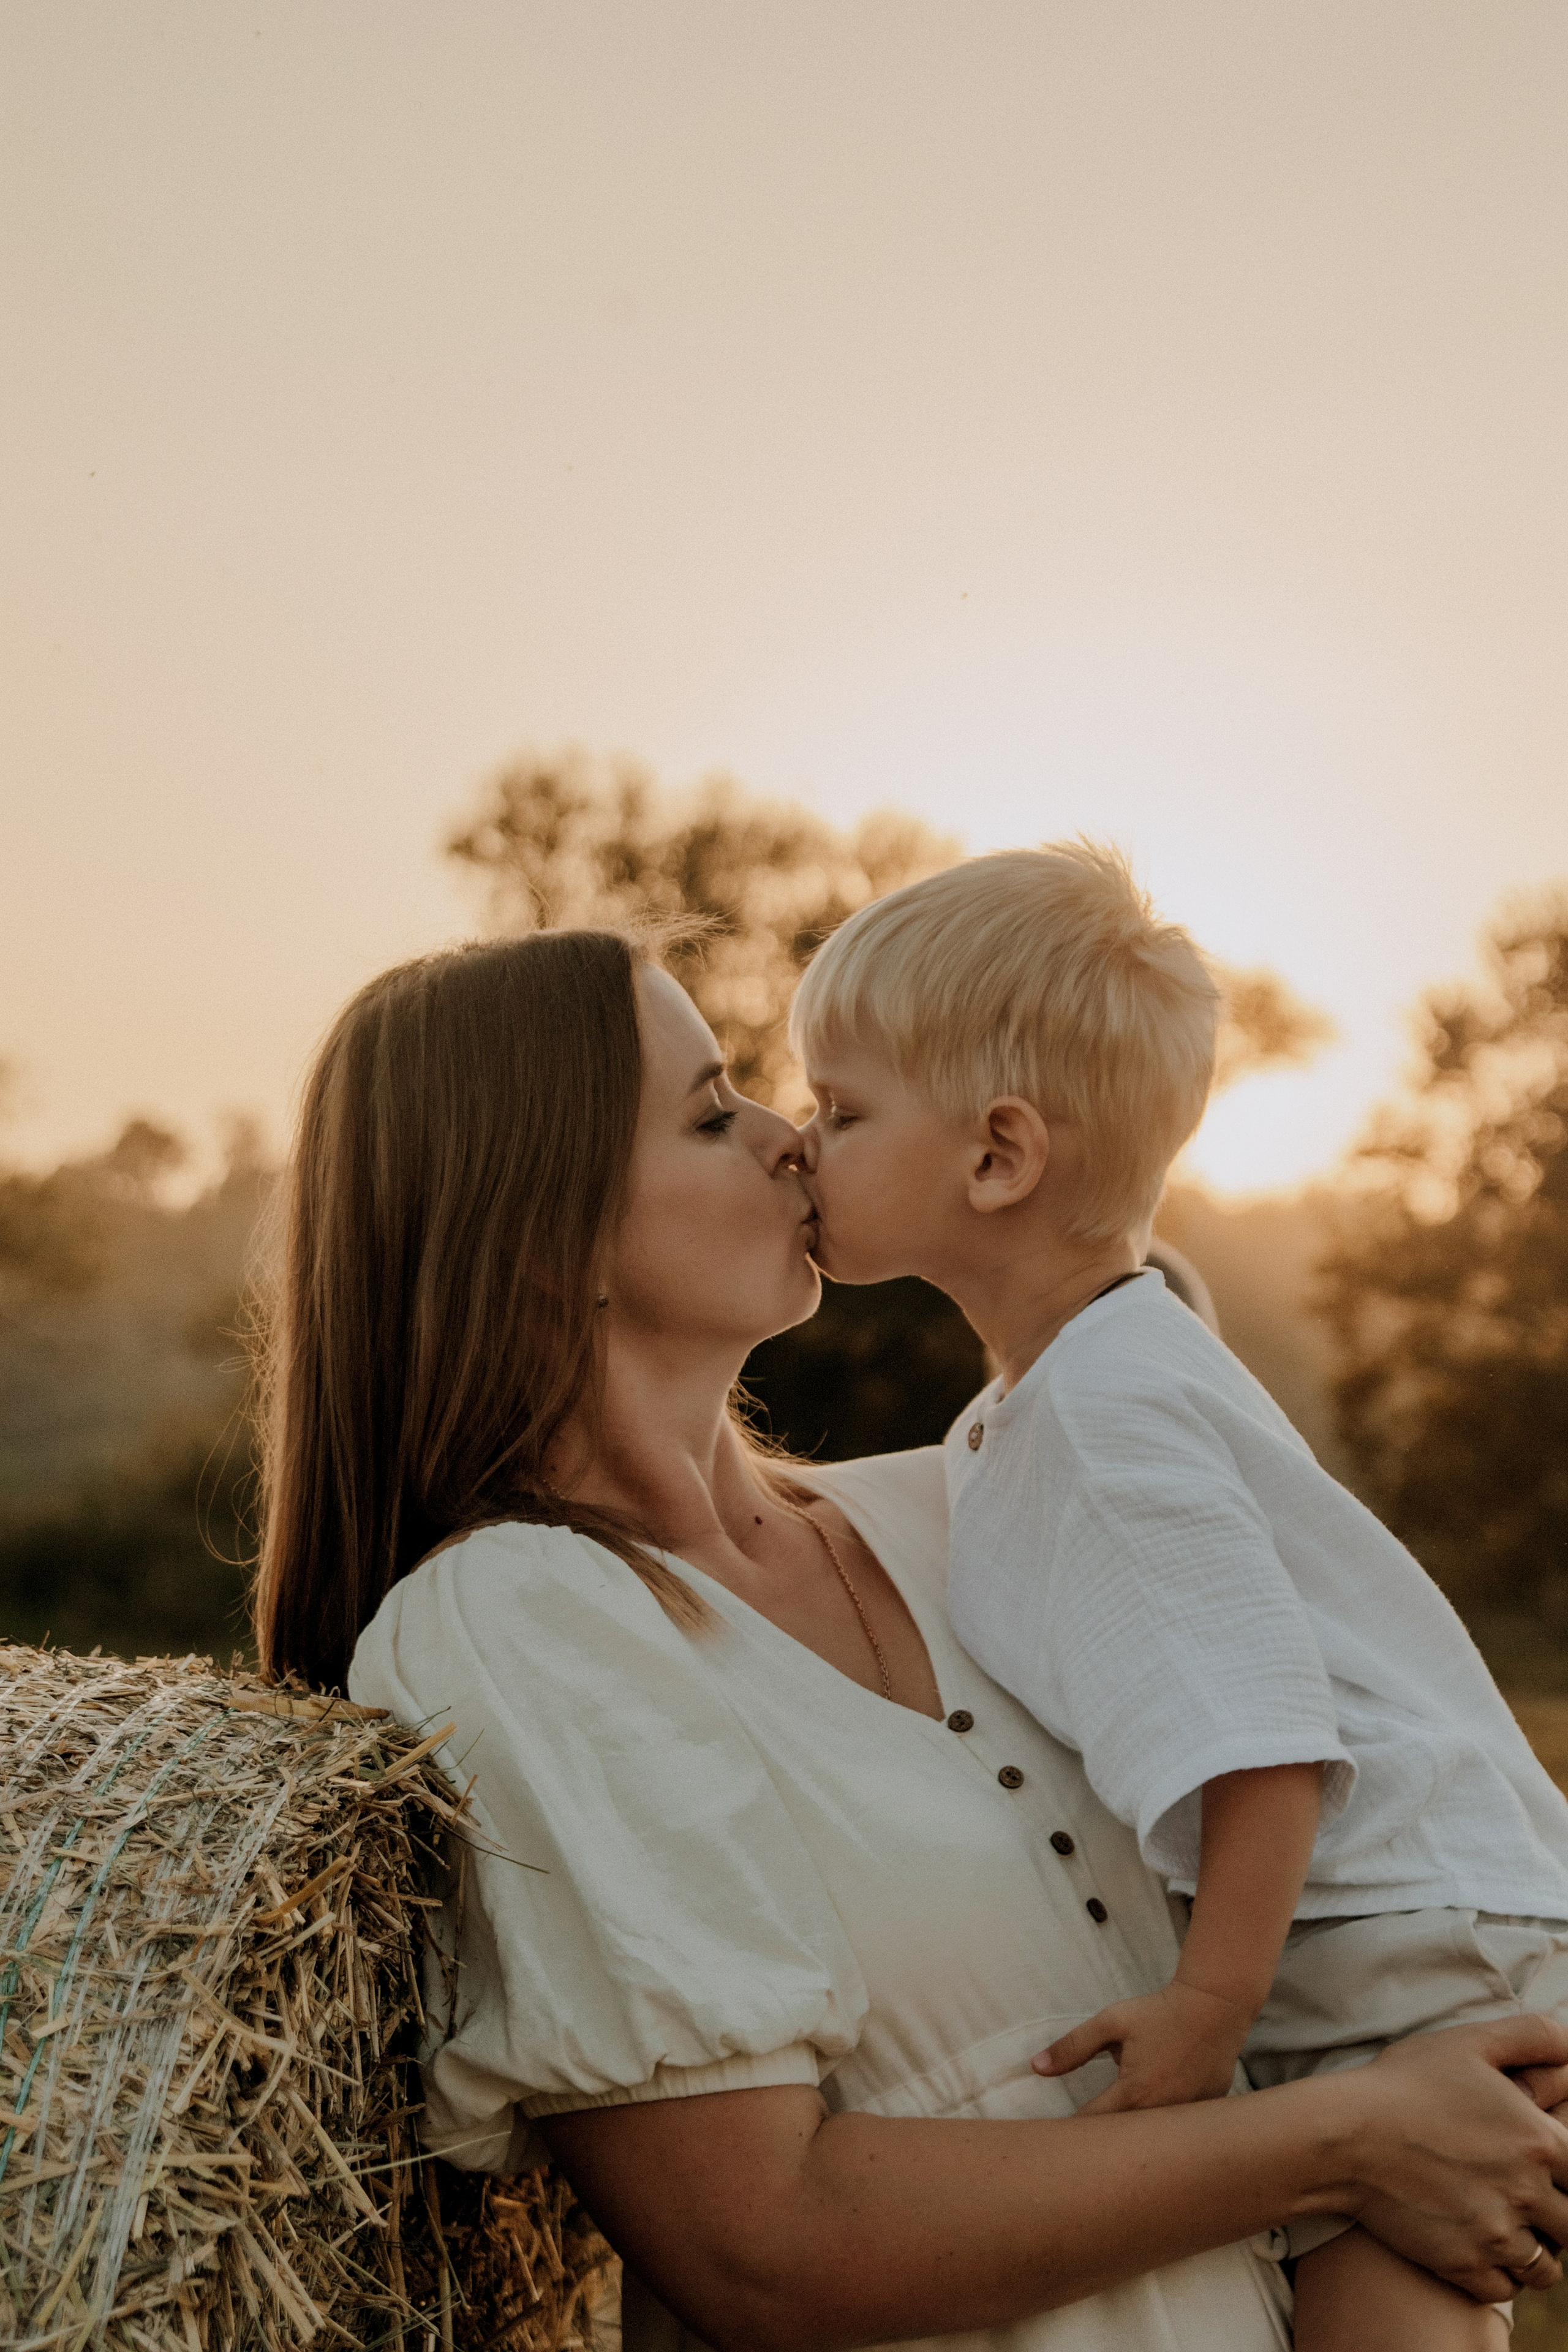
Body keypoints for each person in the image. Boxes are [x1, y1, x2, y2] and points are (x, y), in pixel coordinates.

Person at [253, 929, 1568, 2352]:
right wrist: (1350, 2139)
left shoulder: (976, 1504)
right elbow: (766, 2246)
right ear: (538, 1233)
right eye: (710, 1114)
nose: (784, 1141)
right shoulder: (518, 1620)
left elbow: (1337, 1854)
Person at [790, 842, 1568, 2350]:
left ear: (997, 1157)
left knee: (1381, 2305)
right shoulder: (1086, 1379)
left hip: (1402, 1934)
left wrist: (1205, 2016)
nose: (800, 1143)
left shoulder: (1103, 1419)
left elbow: (1263, 1739)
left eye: (840, 1111)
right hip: (1385, 1924)